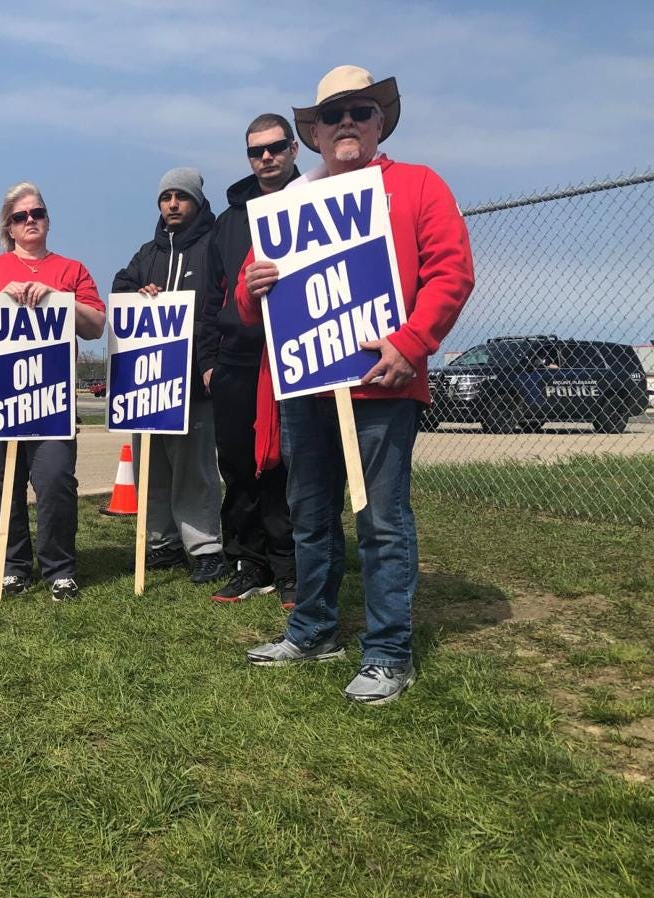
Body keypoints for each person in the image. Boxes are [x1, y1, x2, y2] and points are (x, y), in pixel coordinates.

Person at [242, 66, 475, 704]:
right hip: (307, 390)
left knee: (382, 522)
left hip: (383, 386)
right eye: (334, 113)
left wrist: (410, 343)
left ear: (379, 124)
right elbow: (247, 299)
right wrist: (251, 287)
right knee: (310, 518)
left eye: (362, 111)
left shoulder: (418, 185)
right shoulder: (287, 204)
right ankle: (313, 629)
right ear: (313, 132)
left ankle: (388, 652)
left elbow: (451, 272)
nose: (348, 122)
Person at [0, 182, 106, 601]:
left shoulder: (71, 270)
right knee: (5, 483)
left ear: (48, 220)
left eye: (37, 213)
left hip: (50, 395)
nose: (30, 220)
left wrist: (59, 298)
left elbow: (94, 324)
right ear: (9, 228)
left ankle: (59, 569)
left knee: (55, 479)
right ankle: (14, 566)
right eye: (20, 217)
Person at [197, 113, 302, 608]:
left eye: (276, 147)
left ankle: (292, 569)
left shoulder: (315, 201)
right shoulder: (228, 221)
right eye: (256, 150)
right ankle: (248, 562)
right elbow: (210, 296)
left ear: (294, 149)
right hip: (237, 360)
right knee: (238, 465)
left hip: (295, 355)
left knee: (287, 466)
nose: (266, 158)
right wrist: (210, 361)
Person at [112, 167, 224, 584]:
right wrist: (137, 294)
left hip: (194, 382)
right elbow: (120, 288)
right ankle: (162, 544)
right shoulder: (148, 254)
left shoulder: (214, 244)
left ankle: (206, 547)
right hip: (147, 384)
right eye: (166, 197)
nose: (172, 204)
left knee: (194, 470)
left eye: (181, 196)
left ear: (196, 200)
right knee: (151, 467)